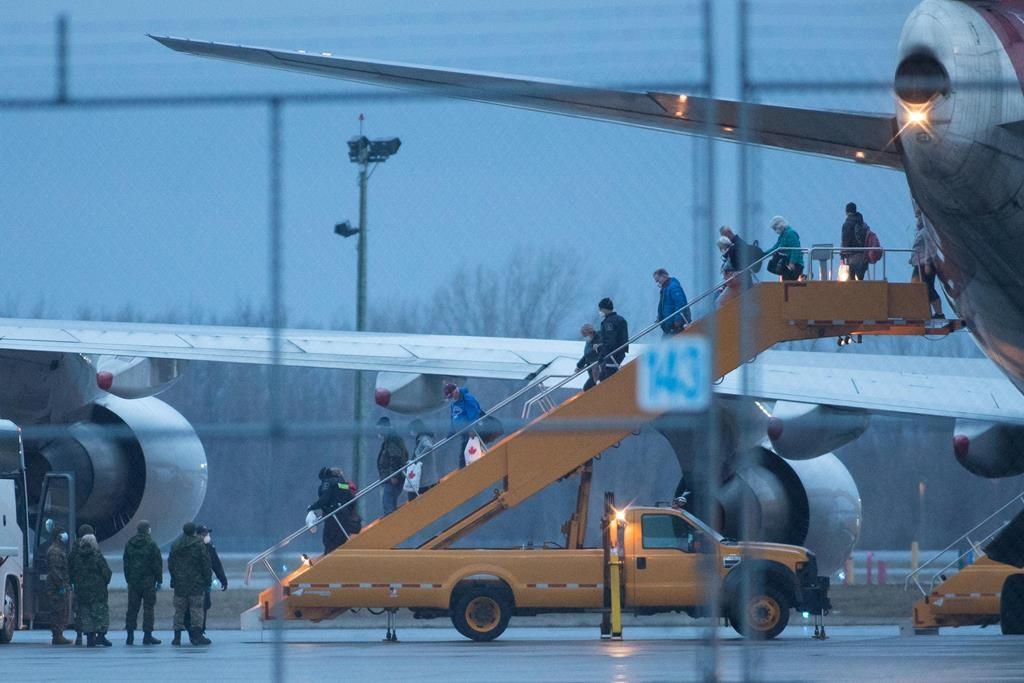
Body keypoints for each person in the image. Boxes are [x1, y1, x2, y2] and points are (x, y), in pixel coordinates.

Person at [168, 522, 212, 646]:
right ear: (194, 531)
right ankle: (197, 636)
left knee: (179, 611)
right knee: (196, 610)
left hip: (180, 584)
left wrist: (174, 579)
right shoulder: (199, 545)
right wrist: (207, 581)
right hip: (196, 584)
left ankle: (177, 637)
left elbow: (171, 564)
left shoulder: (176, 545)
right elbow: (205, 564)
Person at [68, 525, 112, 647]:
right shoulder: (97, 556)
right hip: (98, 591)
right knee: (100, 613)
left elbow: (70, 571)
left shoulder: (76, 556)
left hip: (81, 590)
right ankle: (101, 636)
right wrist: (103, 583)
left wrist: (75, 583)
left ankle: (89, 638)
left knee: (85, 613)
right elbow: (107, 573)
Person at [122, 519, 163, 645]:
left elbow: (126, 563)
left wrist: (128, 578)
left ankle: (130, 635)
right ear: (147, 530)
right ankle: (147, 635)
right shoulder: (151, 544)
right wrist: (159, 580)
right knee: (148, 608)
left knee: (132, 608)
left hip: (133, 582)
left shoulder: (130, 543)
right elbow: (157, 564)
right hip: (148, 581)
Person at [184, 525, 227, 636]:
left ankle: (199, 630)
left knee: (204, 605)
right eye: (204, 534)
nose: (207, 536)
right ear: (198, 534)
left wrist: (222, 578)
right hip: (194, 582)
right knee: (194, 606)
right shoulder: (193, 546)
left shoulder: (208, 547)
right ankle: (194, 630)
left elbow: (216, 563)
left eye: (207, 533)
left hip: (201, 582)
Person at [306, 466, 361, 552]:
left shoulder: (328, 483)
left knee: (329, 540)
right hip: (344, 515)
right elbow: (351, 498)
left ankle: (330, 557)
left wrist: (312, 507)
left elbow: (324, 499)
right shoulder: (343, 484)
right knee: (341, 539)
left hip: (333, 516)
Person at [911, 204, 946, 319]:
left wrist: (927, 262)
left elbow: (930, 247)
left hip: (924, 263)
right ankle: (928, 312)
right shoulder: (921, 230)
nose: (917, 219)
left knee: (923, 287)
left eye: (919, 216)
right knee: (924, 288)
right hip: (919, 262)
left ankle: (938, 313)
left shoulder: (927, 231)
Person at [444, 383, 484, 467]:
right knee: (466, 453)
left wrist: (471, 428)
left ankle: (465, 468)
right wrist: (451, 432)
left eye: (452, 396)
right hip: (463, 431)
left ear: (455, 391)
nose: (452, 398)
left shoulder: (467, 399)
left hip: (471, 431)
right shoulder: (454, 403)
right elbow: (453, 417)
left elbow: (474, 414)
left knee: (466, 454)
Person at [44, 525, 72, 645]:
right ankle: (57, 635)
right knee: (58, 610)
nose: (65, 535)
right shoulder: (55, 551)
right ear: (58, 536)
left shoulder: (58, 549)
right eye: (62, 533)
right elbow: (55, 571)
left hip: (59, 584)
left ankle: (59, 634)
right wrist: (61, 585)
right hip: (56, 586)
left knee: (62, 609)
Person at [376, 416, 408, 513]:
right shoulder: (390, 438)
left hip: (392, 478)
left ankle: (390, 521)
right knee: (389, 503)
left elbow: (395, 457)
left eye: (379, 428)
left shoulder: (392, 439)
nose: (378, 431)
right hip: (390, 477)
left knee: (388, 503)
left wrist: (394, 475)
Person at [597, 298, 629, 380]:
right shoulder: (620, 319)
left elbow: (610, 342)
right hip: (620, 352)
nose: (599, 311)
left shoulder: (609, 322)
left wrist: (601, 353)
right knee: (605, 378)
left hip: (612, 355)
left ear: (605, 308)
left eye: (600, 309)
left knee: (605, 379)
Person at [654, 269, 690, 336]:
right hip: (669, 326)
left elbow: (680, 303)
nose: (658, 283)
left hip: (676, 325)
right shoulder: (665, 289)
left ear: (663, 276)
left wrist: (678, 320)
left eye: (658, 280)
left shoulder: (673, 287)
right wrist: (660, 317)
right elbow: (664, 306)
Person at [767, 216, 804, 281]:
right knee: (771, 267)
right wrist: (763, 254)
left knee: (788, 282)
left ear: (779, 226)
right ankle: (800, 276)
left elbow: (796, 249)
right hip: (787, 262)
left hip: (795, 264)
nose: (775, 231)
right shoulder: (782, 235)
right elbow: (775, 248)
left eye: (775, 228)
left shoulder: (791, 233)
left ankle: (801, 277)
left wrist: (792, 262)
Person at [408, 419, 438, 498]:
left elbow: (429, 446)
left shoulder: (423, 438)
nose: (411, 432)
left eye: (412, 429)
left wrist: (418, 458)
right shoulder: (421, 438)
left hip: (427, 477)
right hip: (426, 476)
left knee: (413, 496)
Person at [841, 202, 870, 281]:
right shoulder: (863, 223)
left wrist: (842, 255)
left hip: (852, 256)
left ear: (847, 212)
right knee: (860, 280)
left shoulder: (847, 224)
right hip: (864, 256)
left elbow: (845, 242)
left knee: (852, 282)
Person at [576, 323, 601, 390]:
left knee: (587, 387)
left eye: (585, 335)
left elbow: (592, 353)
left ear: (590, 333)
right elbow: (586, 355)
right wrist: (579, 365)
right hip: (591, 369)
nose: (585, 338)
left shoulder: (599, 337)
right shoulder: (589, 341)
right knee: (587, 388)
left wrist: (598, 346)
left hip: (597, 368)